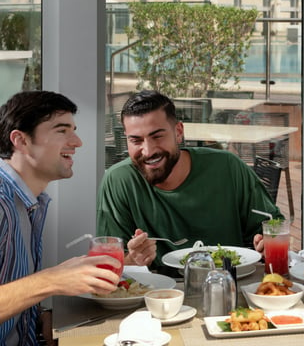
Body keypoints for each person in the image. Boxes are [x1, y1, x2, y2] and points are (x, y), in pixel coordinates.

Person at [96, 90, 283, 271]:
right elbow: (109, 266)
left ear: (178, 132)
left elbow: (273, 226)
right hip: (156, 296)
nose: (148, 151)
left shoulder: (227, 167)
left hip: (228, 286)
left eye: (157, 136)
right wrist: (133, 260)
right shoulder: (118, 181)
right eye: (136, 140)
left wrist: (268, 242)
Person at [0, 91, 120, 344]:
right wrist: (51, 280)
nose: (77, 142)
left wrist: (39, 315)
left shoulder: (31, 201)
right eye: (61, 130)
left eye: (73, 130)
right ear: (20, 140)